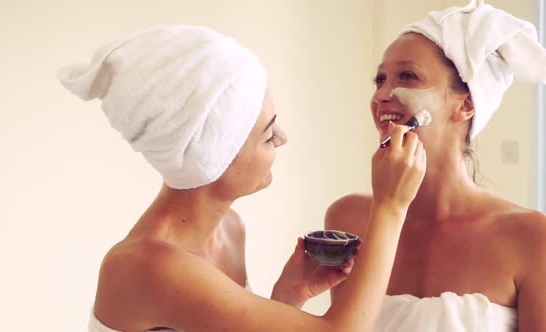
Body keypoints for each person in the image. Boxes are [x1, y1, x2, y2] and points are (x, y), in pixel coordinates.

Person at [57, 25, 426, 331]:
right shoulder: (146, 265)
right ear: (212, 155)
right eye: (268, 134)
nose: (282, 138)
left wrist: (288, 298)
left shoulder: (229, 229)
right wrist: (391, 206)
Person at [326, 0, 546, 331]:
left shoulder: (531, 238)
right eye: (380, 79)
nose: (382, 95)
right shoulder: (348, 219)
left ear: (466, 104)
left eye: (408, 76)